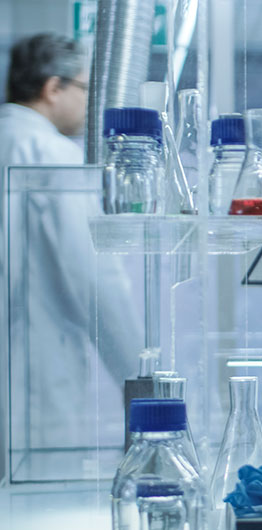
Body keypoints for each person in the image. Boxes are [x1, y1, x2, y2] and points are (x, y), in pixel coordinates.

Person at [1, 33, 141, 443]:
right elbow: (93, 274)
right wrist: (137, 377)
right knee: (33, 505)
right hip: (34, 382)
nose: (87, 102)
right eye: (83, 88)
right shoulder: (51, 155)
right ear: (51, 88)